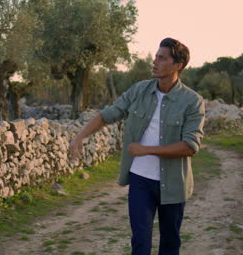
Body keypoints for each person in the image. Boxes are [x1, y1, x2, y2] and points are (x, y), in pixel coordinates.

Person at [69, 38, 205, 255]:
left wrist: (146, 150)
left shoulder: (192, 101)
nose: (155, 61)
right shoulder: (139, 90)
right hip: (140, 179)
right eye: (155, 56)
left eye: (162, 58)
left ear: (178, 65)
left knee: (170, 244)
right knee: (140, 242)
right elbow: (108, 114)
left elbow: (190, 146)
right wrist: (79, 137)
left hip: (174, 183)